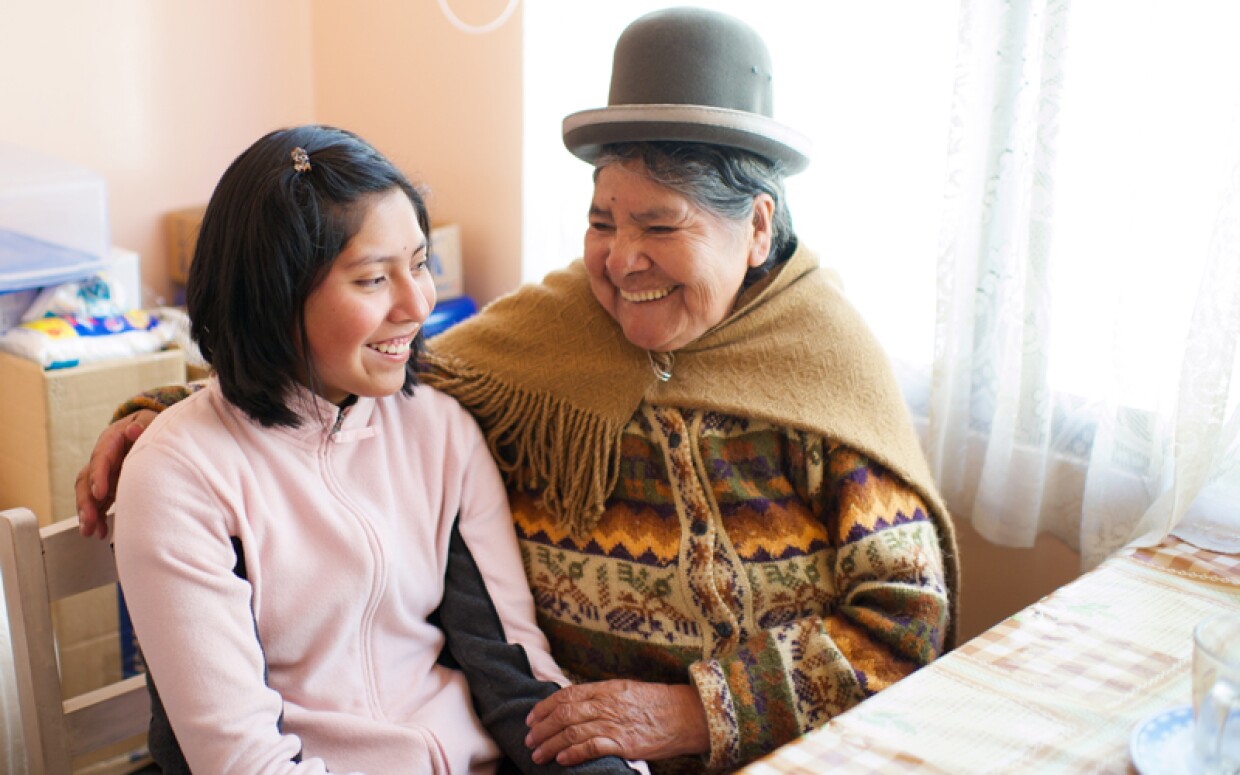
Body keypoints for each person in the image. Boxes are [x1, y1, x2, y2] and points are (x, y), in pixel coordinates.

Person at [80, 9, 960, 773]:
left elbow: (903, 621)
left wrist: (695, 713)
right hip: (558, 741)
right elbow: (343, 380)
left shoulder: (825, 361)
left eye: (661, 224)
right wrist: (168, 420)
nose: (621, 260)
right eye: (602, 220)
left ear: (757, 225)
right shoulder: (549, 329)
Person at [108, 124, 640, 774]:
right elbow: (243, 761)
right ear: (276, 296)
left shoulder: (438, 430)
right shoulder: (180, 474)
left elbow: (511, 667)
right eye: (371, 280)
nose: (418, 304)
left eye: (419, 264)